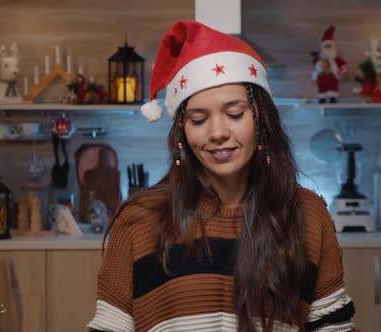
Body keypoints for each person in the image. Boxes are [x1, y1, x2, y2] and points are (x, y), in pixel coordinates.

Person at [87, 20, 356, 332]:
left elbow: (333, 327)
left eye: (235, 114)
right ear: (181, 134)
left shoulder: (307, 214)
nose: (217, 133)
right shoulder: (138, 220)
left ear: (261, 121)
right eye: (198, 119)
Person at [311, 25, 348, 104]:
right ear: (322, 48)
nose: (328, 49)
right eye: (326, 47)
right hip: (322, 77)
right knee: (322, 88)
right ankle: (322, 98)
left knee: (333, 87)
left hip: (333, 77)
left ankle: (333, 98)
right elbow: (314, 63)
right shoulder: (320, 58)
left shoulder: (336, 59)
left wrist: (340, 72)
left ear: (333, 47)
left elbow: (344, 66)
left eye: (330, 47)